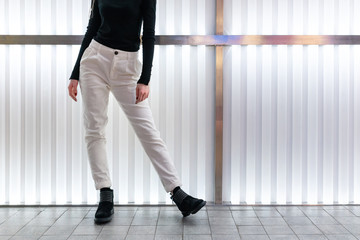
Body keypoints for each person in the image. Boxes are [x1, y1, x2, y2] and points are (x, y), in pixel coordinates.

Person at [67, 0, 206, 223]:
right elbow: (92, 27)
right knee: (94, 129)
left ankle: (178, 193)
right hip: (94, 61)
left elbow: (149, 33)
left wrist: (145, 79)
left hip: (127, 67)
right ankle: (105, 195)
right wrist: (75, 74)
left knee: (148, 131)